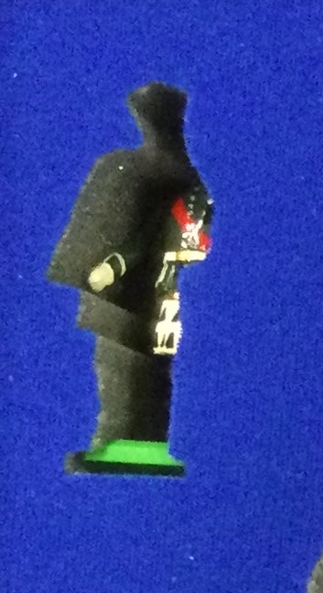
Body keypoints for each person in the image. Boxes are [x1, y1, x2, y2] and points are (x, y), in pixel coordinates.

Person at [47, 83, 211, 474]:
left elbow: (159, 236)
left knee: (129, 365)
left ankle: (132, 440)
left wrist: (115, 266)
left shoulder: (163, 175)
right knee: (132, 366)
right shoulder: (175, 173)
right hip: (147, 292)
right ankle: (131, 438)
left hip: (142, 292)